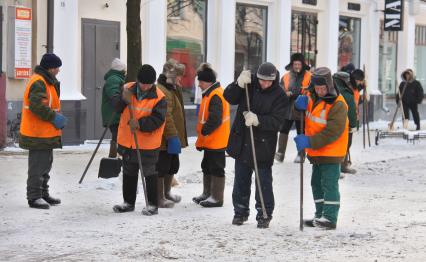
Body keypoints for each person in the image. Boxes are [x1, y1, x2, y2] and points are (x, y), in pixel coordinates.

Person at [224, 62, 288, 228]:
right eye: (261, 80)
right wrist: (237, 84)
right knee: (240, 181)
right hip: (243, 141)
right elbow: (229, 97)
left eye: (268, 81)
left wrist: (259, 120)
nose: (264, 84)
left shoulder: (280, 95)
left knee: (264, 182)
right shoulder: (248, 84)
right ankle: (240, 212)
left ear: (274, 80)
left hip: (263, 146)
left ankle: (264, 214)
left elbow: (278, 122)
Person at [293, 67, 348, 230]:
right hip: (316, 152)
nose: (320, 91)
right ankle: (320, 215)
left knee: (329, 184)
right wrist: (297, 107)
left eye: (323, 88)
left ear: (329, 86)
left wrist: (309, 142)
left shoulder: (338, 104)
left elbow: (332, 132)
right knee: (316, 183)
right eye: (317, 88)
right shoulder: (310, 96)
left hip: (332, 152)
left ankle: (330, 218)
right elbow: (299, 117)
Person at [112, 64, 167, 216]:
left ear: (153, 83)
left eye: (148, 84)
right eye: (142, 83)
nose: (144, 87)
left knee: (149, 173)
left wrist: (140, 124)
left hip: (148, 143)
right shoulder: (127, 88)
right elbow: (115, 107)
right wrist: (123, 100)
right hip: (127, 140)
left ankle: (152, 205)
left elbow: (158, 119)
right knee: (129, 172)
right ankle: (128, 202)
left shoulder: (160, 97)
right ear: (138, 80)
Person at [20, 53, 67, 209]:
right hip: (37, 133)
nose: (58, 70)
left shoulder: (47, 81)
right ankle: (34, 197)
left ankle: (43, 193)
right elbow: (37, 106)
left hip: (45, 132)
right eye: (56, 67)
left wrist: (55, 118)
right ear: (49, 68)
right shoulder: (39, 82)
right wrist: (55, 117)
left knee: (45, 165)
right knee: (38, 166)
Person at [193, 63, 230, 208]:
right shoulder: (211, 94)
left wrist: (204, 130)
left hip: (216, 141)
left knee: (216, 168)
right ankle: (207, 194)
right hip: (211, 141)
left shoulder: (215, 95)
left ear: (207, 82)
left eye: (200, 82)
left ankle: (216, 197)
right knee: (207, 166)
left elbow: (215, 118)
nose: (199, 85)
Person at [155, 59, 188, 208]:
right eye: (179, 76)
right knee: (162, 167)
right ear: (172, 76)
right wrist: (172, 135)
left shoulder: (172, 88)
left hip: (171, 136)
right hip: (165, 138)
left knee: (172, 165)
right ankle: (159, 197)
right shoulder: (163, 90)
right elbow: (166, 116)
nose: (181, 79)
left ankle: (166, 192)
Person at [275, 53, 311, 163]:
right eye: (295, 64)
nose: (297, 66)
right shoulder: (286, 77)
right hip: (288, 107)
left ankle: (301, 154)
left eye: (299, 64)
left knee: (301, 131)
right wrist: (285, 93)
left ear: (303, 64)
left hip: (302, 107)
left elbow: (311, 91)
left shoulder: (309, 76)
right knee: (284, 129)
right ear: (292, 64)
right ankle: (280, 153)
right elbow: (280, 90)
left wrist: (303, 95)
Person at [333, 69, 364, 175]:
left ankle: (342, 165)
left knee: (343, 145)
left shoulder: (333, 88)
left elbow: (355, 103)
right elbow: (350, 108)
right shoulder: (346, 92)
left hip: (336, 122)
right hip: (344, 123)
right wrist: (353, 124)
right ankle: (340, 167)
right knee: (345, 144)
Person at [101, 58, 127, 158]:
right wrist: (120, 105)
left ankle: (115, 156)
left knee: (117, 136)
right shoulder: (114, 79)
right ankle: (115, 156)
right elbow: (114, 95)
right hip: (114, 114)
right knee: (117, 136)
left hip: (115, 114)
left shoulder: (116, 78)